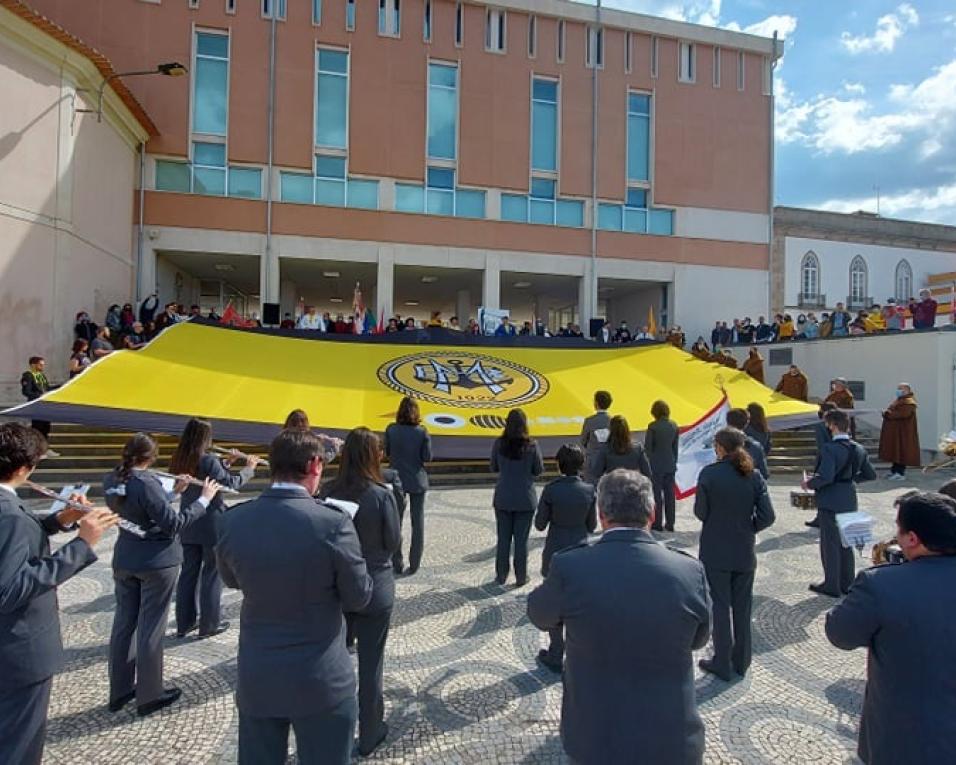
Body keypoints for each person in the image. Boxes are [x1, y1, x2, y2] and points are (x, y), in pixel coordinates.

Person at [527, 469, 711, 764]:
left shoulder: (571, 566)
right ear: (652, 513)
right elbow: (699, 638)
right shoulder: (690, 570)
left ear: (601, 516)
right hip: (672, 739)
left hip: (595, 739)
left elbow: (539, 613)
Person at [216, 429, 372, 765]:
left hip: (259, 674)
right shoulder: (333, 523)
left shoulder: (234, 520)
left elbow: (230, 579)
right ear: (315, 465)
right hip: (321, 678)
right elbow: (359, 598)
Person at [0, 423, 117, 765]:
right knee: (18, 743)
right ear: (24, 468)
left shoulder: (11, 511)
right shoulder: (10, 515)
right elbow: (10, 589)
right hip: (17, 651)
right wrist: (83, 544)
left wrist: (59, 519)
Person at [825, 492, 956, 765]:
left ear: (912, 538)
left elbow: (840, 633)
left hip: (905, 740)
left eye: (899, 529)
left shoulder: (881, 585)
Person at [103, 434, 220, 716]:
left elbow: (141, 509)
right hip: (156, 561)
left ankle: (119, 690)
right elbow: (174, 524)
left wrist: (175, 493)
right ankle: (150, 693)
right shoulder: (147, 482)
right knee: (151, 626)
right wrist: (203, 500)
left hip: (126, 556)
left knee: (124, 624)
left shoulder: (113, 478)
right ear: (152, 457)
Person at [321, 428, 400, 756]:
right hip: (375, 586)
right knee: (371, 665)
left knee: (333, 663)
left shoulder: (326, 490)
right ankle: (370, 732)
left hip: (336, 587)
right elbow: (393, 542)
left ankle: (331, 731)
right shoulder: (382, 495)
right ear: (374, 455)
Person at [694, 427, 775, 680]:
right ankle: (741, 659)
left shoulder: (709, 474)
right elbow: (768, 516)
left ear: (720, 447)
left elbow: (700, 512)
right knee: (742, 606)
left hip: (715, 548)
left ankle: (721, 659)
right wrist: (748, 527)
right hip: (743, 548)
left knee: (719, 606)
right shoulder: (754, 475)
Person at [171, 419, 258, 639]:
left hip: (189, 520)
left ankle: (184, 623)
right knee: (212, 573)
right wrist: (249, 468)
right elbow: (230, 484)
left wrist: (226, 463)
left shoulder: (181, 456)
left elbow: (213, 477)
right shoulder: (208, 459)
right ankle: (209, 625)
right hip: (210, 523)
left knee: (188, 573)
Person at [532, 444, 596, 672]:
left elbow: (539, 524)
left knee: (556, 602)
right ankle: (578, 649)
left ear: (559, 464)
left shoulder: (552, 489)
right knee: (578, 601)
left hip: (555, 549)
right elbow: (592, 525)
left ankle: (556, 651)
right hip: (580, 548)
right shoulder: (589, 491)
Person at [803, 410, 877, 597]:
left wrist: (809, 483)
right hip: (849, 498)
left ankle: (831, 584)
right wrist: (849, 480)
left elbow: (825, 477)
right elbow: (870, 474)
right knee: (846, 543)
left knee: (830, 544)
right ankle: (847, 583)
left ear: (834, 425)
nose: (827, 428)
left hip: (831, 499)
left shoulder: (829, 448)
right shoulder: (859, 448)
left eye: (828, 425)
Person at [490, 409, 544, 586]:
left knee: (503, 539)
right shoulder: (532, 445)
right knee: (521, 541)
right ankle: (521, 576)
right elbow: (538, 470)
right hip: (524, 498)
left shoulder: (499, 444)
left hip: (503, 496)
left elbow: (494, 467)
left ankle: (501, 575)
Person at [384, 397, 432, 575]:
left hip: (396, 479)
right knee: (417, 523)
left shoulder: (391, 429)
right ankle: (415, 563)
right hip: (417, 479)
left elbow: (387, 452)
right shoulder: (422, 432)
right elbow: (427, 457)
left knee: (395, 522)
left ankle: (397, 561)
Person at [645, 400, 679, 532]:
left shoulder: (653, 426)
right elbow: (675, 447)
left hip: (656, 465)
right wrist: (673, 461)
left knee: (656, 495)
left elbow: (648, 448)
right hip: (670, 463)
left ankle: (657, 523)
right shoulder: (674, 425)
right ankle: (670, 523)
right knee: (670, 495)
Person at [805, 402, 838, 529]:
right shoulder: (840, 424)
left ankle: (820, 518)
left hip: (824, 459)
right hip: (839, 459)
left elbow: (821, 445)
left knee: (822, 489)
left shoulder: (820, 426)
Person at [879, 383, 920, 480]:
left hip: (903, 433)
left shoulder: (909, 402)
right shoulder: (899, 400)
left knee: (901, 452)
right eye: (898, 389)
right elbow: (891, 410)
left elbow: (903, 414)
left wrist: (888, 414)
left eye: (901, 389)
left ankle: (900, 473)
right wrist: (886, 412)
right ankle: (894, 471)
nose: (898, 391)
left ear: (907, 390)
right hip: (895, 432)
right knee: (895, 452)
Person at [594, 415, 651, 479]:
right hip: (632, 485)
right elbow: (647, 472)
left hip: (612, 485)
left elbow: (596, 473)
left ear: (611, 430)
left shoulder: (605, 449)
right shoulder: (637, 448)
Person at [725, 409, 769, 479]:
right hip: (748, 486)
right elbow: (764, 474)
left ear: (727, 422)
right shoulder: (756, 446)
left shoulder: (717, 445)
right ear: (747, 423)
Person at [579, 390, 612, 484]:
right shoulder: (613, 421)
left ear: (596, 403)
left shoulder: (589, 421)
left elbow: (583, 441)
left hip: (592, 462)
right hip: (609, 462)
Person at [20, 356, 53, 438]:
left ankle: (44, 446)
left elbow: (47, 388)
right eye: (40, 365)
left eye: (43, 365)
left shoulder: (41, 375)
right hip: (36, 405)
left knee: (46, 428)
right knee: (38, 428)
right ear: (33, 365)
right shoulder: (28, 376)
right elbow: (26, 392)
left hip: (45, 405)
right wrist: (39, 395)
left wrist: (62, 386)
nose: (42, 367)